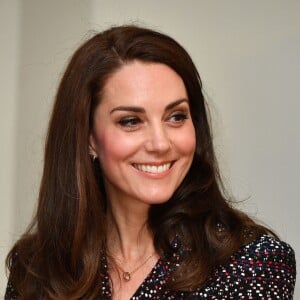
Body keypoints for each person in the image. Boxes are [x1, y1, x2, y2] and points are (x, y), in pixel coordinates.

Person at [5, 25, 296, 300]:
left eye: (176, 117)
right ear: (89, 138)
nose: (160, 143)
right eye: (131, 121)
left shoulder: (253, 263)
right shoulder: (35, 267)